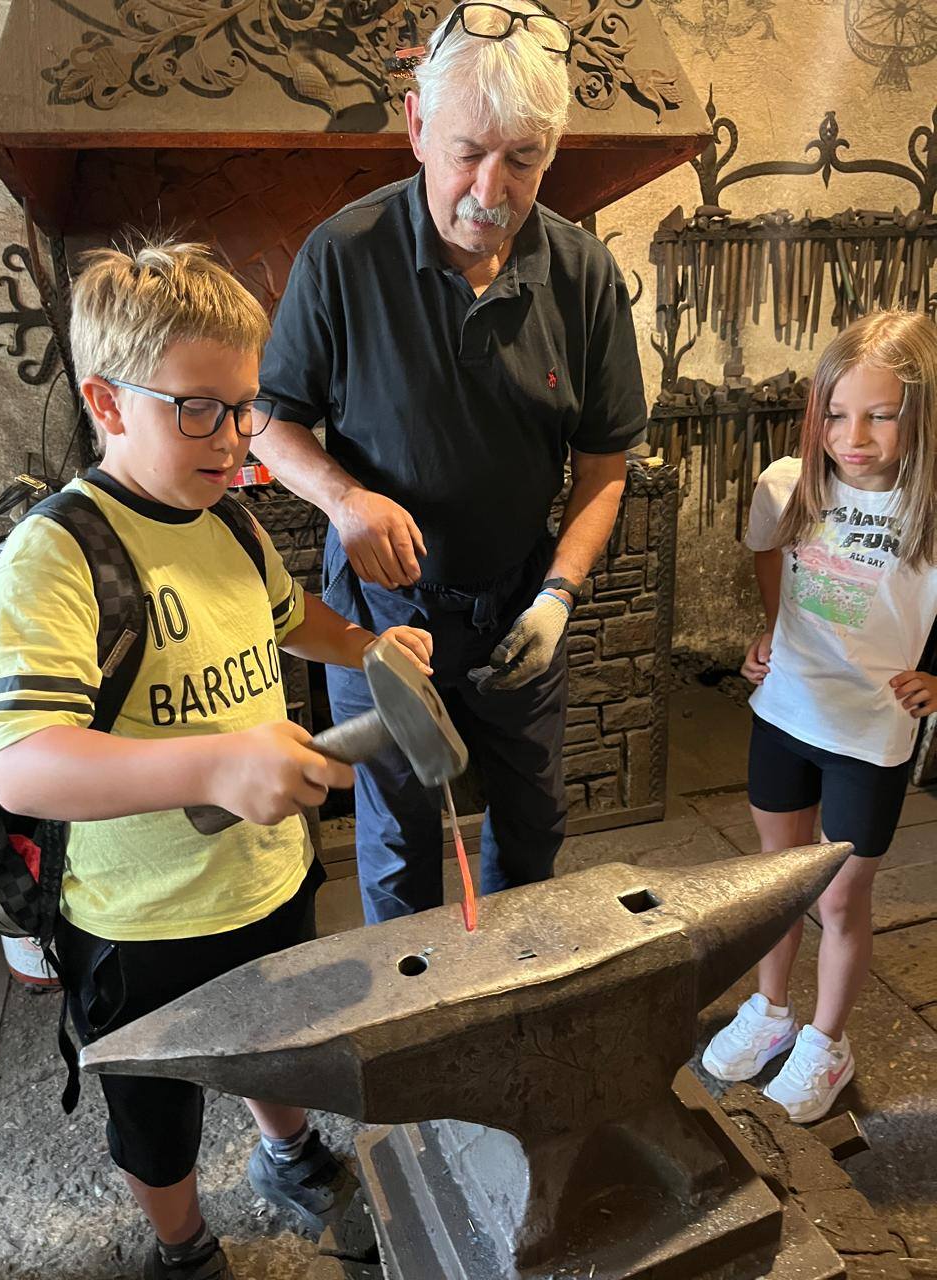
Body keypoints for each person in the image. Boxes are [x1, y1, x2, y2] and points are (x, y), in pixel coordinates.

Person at [0, 240, 433, 1280]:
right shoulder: (58, 556)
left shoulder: (227, 521)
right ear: (106, 400)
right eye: (197, 409)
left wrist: (368, 648)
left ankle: (288, 1150)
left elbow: (287, 616)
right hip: (140, 921)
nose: (232, 438)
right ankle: (182, 1242)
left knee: (273, 1036)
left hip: (263, 880)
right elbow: (24, 764)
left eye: (244, 407)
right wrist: (214, 765)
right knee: (157, 1114)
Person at [255, 1, 647, 923]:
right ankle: (414, 999)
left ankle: (515, 988)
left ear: (552, 152)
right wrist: (345, 499)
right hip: (382, 613)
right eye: (467, 153)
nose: (490, 190)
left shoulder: (583, 274)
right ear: (417, 125)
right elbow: (269, 424)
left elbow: (604, 465)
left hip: (519, 599)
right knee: (399, 844)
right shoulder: (343, 255)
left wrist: (559, 596)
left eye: (523, 160)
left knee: (534, 825)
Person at [702, 309, 937, 1123]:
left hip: (870, 734)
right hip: (785, 711)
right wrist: (772, 628)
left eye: (880, 415)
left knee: (838, 899)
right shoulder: (789, 483)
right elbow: (770, 554)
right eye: (836, 414)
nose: (853, 437)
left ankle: (828, 1042)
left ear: (921, 414)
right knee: (775, 885)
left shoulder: (929, 506)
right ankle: (770, 1011)